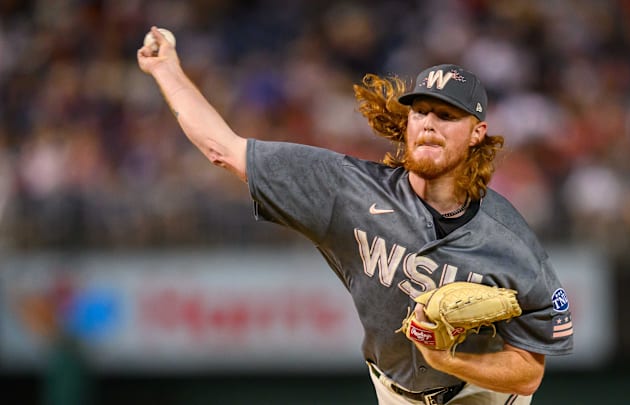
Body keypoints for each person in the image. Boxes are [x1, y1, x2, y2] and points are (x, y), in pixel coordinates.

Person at [137, 26, 573, 405]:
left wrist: (447, 358)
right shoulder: (346, 191)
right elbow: (224, 148)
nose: (428, 124)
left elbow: (528, 372)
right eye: (420, 111)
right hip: (394, 390)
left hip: (481, 396)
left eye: (446, 115)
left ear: (477, 134)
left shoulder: (511, 244)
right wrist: (166, 69)